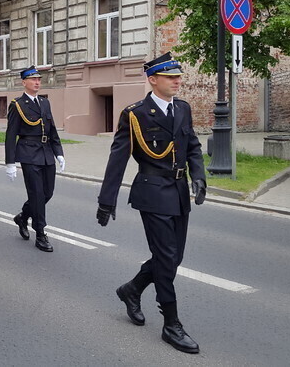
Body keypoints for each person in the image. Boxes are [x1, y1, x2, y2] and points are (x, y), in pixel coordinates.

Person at [96, 52, 206, 354]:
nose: (178, 81)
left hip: (180, 193)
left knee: (173, 258)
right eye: (171, 77)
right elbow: (117, 159)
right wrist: (106, 201)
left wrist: (199, 177)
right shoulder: (136, 114)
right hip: (153, 193)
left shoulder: (182, 109)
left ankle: (131, 289)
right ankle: (171, 325)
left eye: (179, 77)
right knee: (167, 257)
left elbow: (192, 146)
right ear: (153, 79)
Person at [4, 66, 65, 252]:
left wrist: (59, 153)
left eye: (39, 79)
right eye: (33, 79)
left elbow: (52, 129)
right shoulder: (18, 104)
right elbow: (10, 134)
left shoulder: (44, 103)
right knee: (37, 194)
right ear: (24, 82)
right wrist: (10, 162)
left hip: (46, 153)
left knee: (47, 193)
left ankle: (23, 216)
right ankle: (40, 233)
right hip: (28, 153)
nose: (37, 82)